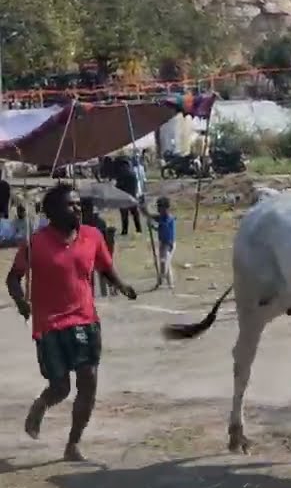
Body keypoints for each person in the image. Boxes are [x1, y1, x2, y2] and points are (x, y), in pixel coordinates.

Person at [6, 183, 137, 462]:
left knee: (88, 380)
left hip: (85, 319)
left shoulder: (92, 235)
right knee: (60, 387)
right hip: (50, 324)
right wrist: (20, 302)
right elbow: (13, 278)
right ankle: (42, 404)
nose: (77, 208)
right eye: (70, 204)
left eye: (78, 204)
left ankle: (73, 443)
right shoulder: (36, 243)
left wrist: (122, 285)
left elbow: (105, 267)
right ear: (51, 212)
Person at [81, 199, 117, 297]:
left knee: (102, 274)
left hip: (96, 251)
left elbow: (104, 237)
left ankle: (106, 294)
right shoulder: (82, 223)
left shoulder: (98, 222)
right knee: (91, 275)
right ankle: (94, 295)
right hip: (88, 252)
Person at [147, 196, 177, 290]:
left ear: (166, 208)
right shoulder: (160, 217)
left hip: (169, 244)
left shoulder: (169, 218)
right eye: (158, 207)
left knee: (164, 264)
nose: (158, 209)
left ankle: (160, 281)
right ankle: (170, 284)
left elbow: (163, 224)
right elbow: (149, 216)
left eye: (160, 207)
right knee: (166, 264)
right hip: (163, 244)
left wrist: (153, 221)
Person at [113, 157, 142, 236]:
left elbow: (118, 187)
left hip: (123, 198)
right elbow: (136, 186)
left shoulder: (121, 175)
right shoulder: (132, 174)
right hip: (132, 196)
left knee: (125, 216)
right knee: (135, 214)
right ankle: (138, 229)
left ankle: (125, 231)